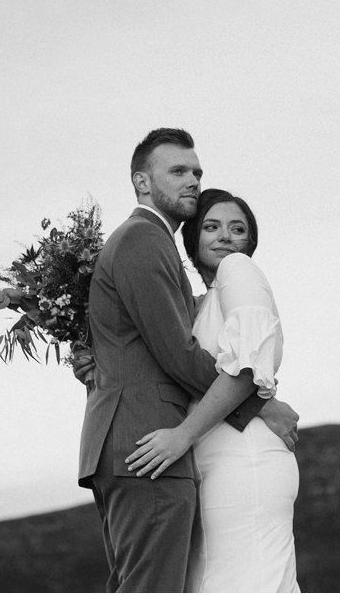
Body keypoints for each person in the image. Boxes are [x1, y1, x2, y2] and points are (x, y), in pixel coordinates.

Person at [78, 129, 299, 594]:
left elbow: (143, 341)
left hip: (155, 447)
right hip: (150, 442)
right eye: (177, 171)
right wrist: (258, 404)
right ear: (142, 182)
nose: (192, 181)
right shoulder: (144, 239)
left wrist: (95, 356)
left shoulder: (210, 281)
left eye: (196, 172)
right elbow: (177, 353)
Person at [126, 188, 300, 593]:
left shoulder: (238, 269)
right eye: (212, 227)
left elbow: (246, 369)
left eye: (237, 228)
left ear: (249, 242)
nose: (225, 237)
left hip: (245, 459)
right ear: (193, 239)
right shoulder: (203, 302)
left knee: (250, 580)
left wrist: (181, 437)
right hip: (216, 460)